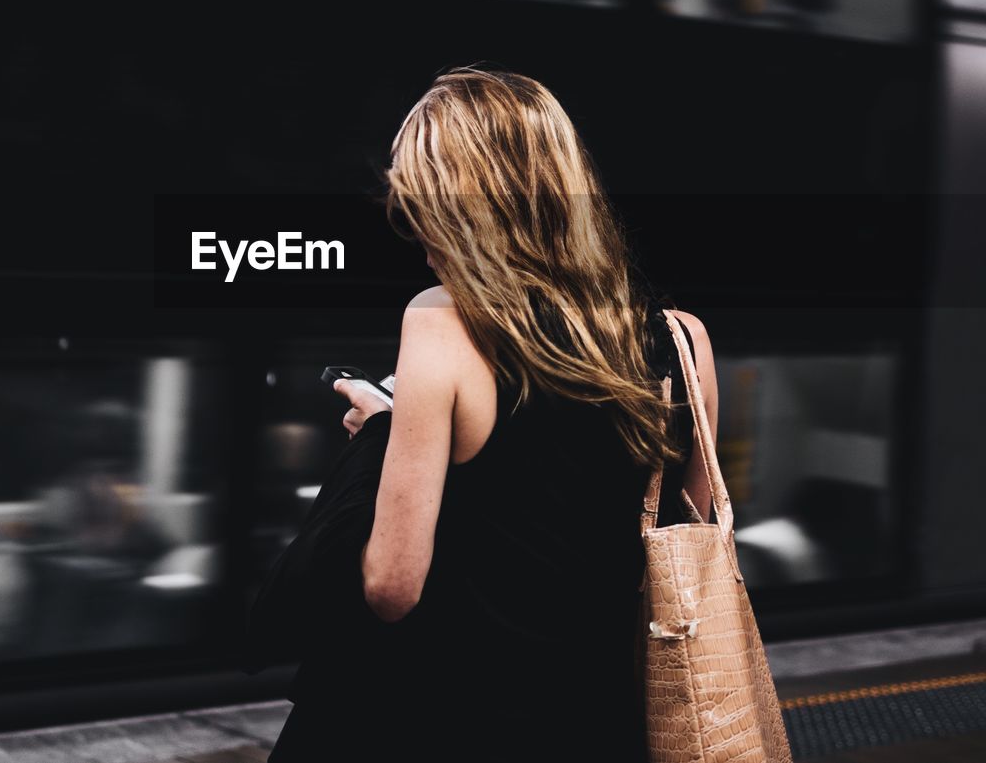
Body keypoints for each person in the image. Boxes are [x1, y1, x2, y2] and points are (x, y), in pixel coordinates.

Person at [266, 65, 720, 761]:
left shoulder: (441, 321)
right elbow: (688, 545)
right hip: (600, 723)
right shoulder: (683, 341)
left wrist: (384, 436)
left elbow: (392, 586)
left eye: (423, 212)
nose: (418, 240)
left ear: (470, 209)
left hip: (447, 723)